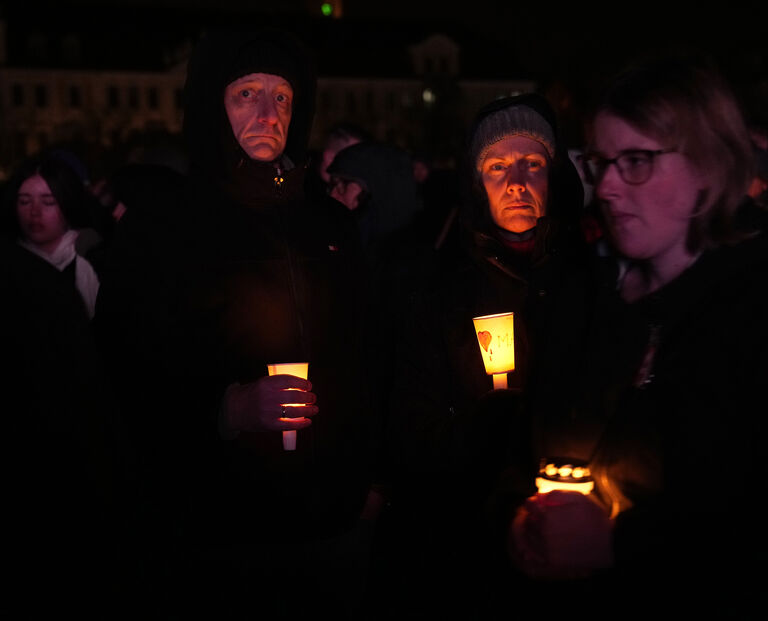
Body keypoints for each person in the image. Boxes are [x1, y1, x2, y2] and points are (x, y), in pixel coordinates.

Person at [506, 55, 768, 619]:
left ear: (711, 164)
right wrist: (524, 523)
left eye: (636, 161)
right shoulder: (583, 297)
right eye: (600, 162)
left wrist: (619, 545)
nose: (608, 187)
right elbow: (522, 440)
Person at [93, 26, 374, 619]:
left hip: (328, 528)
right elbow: (123, 373)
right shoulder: (162, 227)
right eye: (247, 93)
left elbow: (371, 354)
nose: (268, 112)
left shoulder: (330, 226)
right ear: (210, 104)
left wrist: (368, 480)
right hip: (214, 532)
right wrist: (225, 409)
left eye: (283, 96)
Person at [376, 92, 602, 618]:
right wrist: (485, 427)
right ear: (476, 184)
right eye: (498, 166)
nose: (517, 182)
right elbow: (410, 436)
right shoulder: (438, 293)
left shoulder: (592, 284)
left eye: (533, 164)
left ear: (558, 177)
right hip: (462, 555)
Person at [3, 151, 101, 319]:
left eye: (48, 202)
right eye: (25, 201)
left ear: (67, 203)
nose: (34, 212)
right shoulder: (8, 262)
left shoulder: (93, 262)